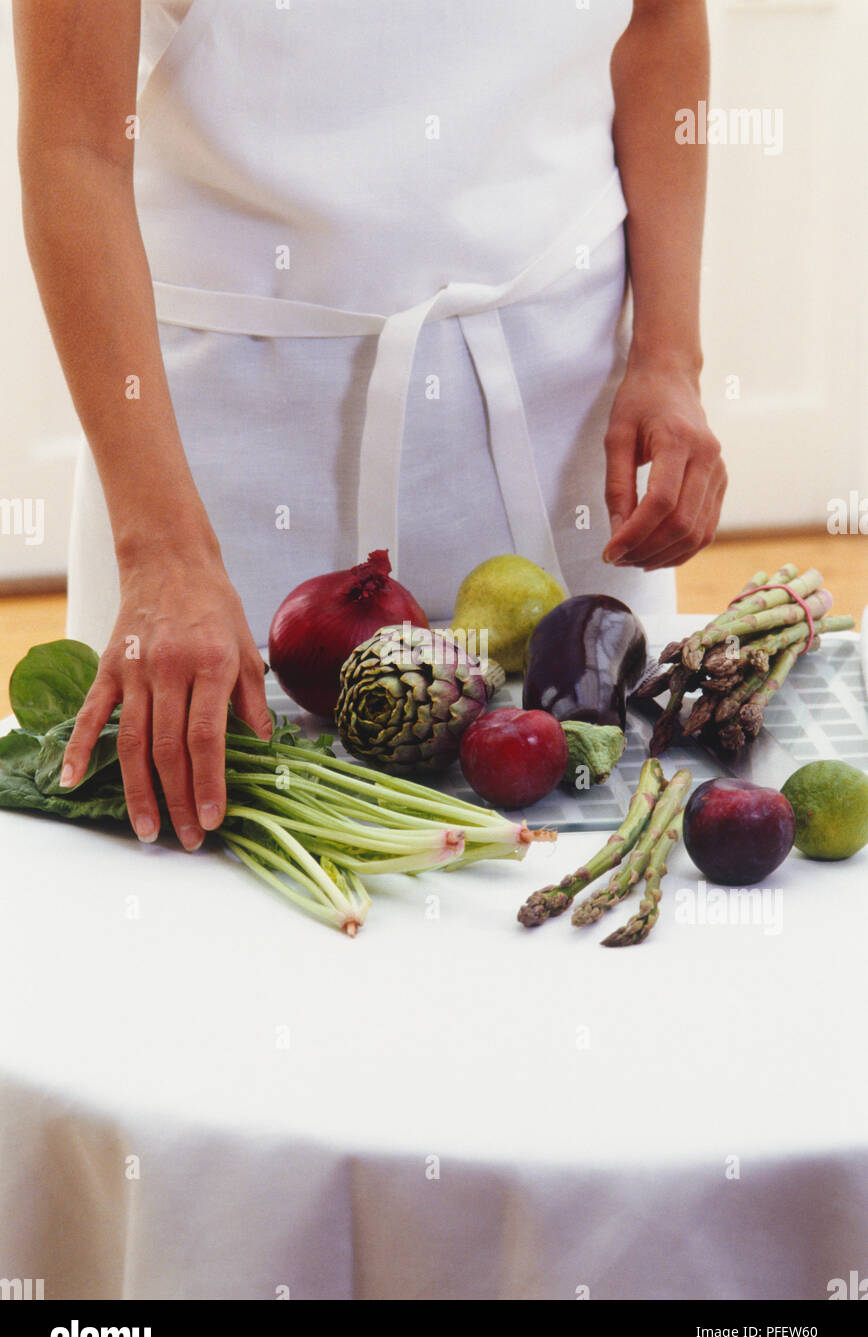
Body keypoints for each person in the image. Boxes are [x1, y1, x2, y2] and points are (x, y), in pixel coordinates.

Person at [14, 0, 725, 851]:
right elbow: (73, 150)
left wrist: (670, 355)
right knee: (197, 916)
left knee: (589, 883)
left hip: (560, 438)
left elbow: (659, 23)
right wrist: (161, 554)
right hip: (217, 485)